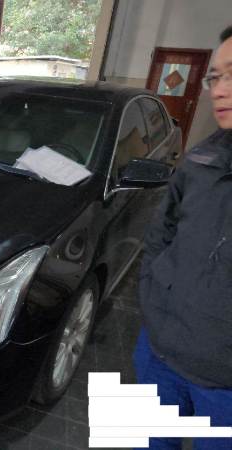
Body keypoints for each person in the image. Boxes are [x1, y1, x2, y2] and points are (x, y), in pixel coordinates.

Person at [135, 26, 232, 450]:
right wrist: (152, 299)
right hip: (159, 350)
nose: (219, 90)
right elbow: (161, 233)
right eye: (215, 77)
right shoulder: (201, 160)